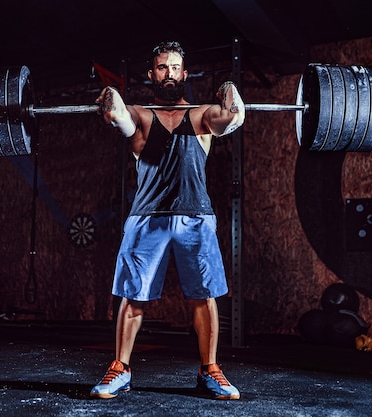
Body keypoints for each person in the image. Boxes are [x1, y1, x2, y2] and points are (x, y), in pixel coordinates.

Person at [90, 41, 245, 400]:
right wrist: (112, 93)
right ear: (152, 74)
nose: (169, 73)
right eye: (162, 67)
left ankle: (211, 370)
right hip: (147, 217)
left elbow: (233, 118)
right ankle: (120, 369)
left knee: (204, 296)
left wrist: (228, 91)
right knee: (132, 297)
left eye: (175, 67)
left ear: (185, 74)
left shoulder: (203, 114)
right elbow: (117, 115)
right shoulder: (141, 115)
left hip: (196, 217)